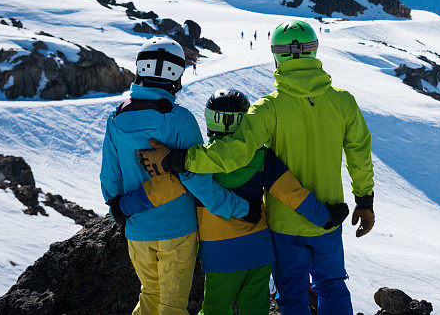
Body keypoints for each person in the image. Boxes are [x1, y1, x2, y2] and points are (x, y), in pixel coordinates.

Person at [138, 20, 375, 315]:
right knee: (332, 285)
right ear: (314, 51)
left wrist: (176, 160)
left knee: (292, 291)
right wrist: (364, 202)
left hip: (283, 223)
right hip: (327, 213)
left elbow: (232, 154)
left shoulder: (268, 108)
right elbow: (359, 155)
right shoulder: (343, 101)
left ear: (277, 55)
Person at [125, 88, 349, 315]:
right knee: (255, 309)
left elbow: (165, 189)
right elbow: (292, 192)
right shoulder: (262, 157)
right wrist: (325, 216)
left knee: (215, 309)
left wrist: (124, 205)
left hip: (220, 256)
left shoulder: (198, 161)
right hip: (259, 250)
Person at [101, 37, 254, 315]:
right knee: (173, 307)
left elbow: (109, 179)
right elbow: (197, 179)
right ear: (177, 76)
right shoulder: (181, 119)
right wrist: (242, 209)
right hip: (178, 230)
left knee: (149, 295)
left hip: (137, 229)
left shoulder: (117, 117)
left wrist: (122, 210)